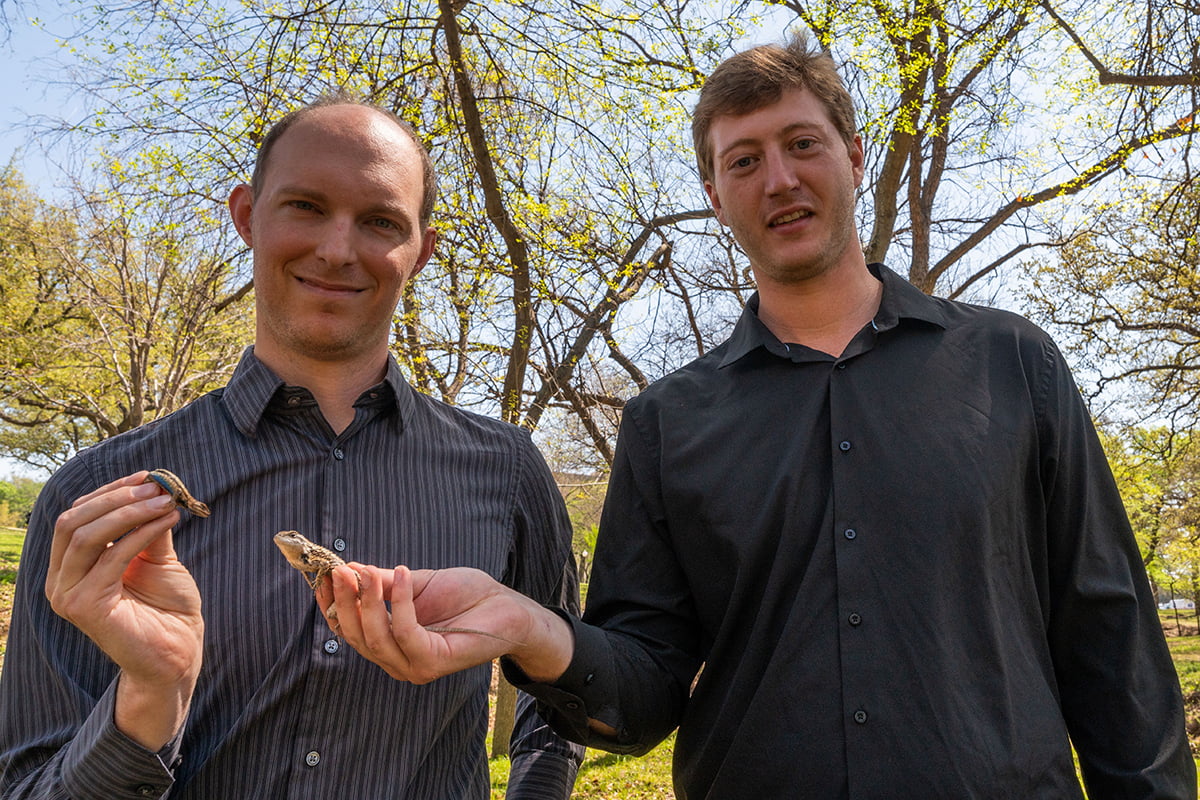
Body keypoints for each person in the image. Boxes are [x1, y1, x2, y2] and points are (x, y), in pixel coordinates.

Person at [312, 34, 1197, 799]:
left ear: (854, 154)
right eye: (743, 160)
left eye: (802, 144)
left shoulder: (1013, 364)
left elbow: (1110, 637)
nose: (779, 179)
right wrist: (529, 627)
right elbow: (645, 691)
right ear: (712, 189)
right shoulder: (665, 422)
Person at [0, 97, 583, 799]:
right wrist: (149, 702)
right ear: (247, 215)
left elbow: (564, 704)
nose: (337, 249)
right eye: (306, 206)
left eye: (379, 221)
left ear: (420, 252)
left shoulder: (510, 471)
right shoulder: (94, 500)